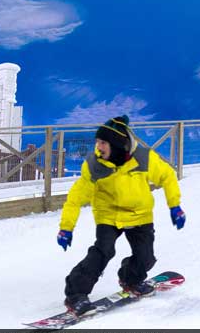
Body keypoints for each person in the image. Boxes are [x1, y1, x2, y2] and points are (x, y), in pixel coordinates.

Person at [56, 114, 186, 316]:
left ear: (117, 145)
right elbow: (75, 198)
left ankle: (130, 278)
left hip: (139, 215)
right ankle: (76, 295)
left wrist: (174, 206)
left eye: (103, 143)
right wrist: (66, 228)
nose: (98, 147)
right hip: (109, 216)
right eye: (97, 142)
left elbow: (167, 176)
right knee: (103, 251)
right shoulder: (94, 166)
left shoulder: (144, 158)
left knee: (146, 258)